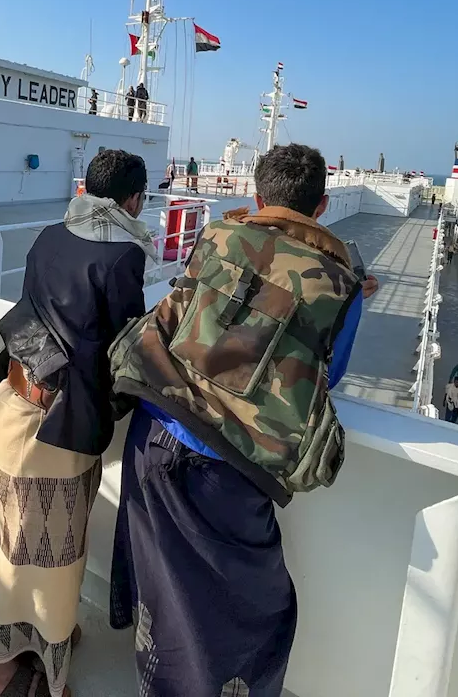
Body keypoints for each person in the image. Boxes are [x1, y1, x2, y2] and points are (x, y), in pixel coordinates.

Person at [108, 143, 379, 697]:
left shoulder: (215, 237)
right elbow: (331, 375)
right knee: (244, 615)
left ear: (257, 196)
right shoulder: (340, 285)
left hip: (154, 431)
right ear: (322, 206)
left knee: (161, 595)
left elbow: (187, 315)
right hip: (229, 469)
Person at [0, 149, 154, 697]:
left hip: (17, 399)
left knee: (15, 534)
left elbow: (37, 311)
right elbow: (122, 345)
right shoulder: (124, 254)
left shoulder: (50, 234)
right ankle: (2, 669)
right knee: (54, 549)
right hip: (60, 426)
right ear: (134, 198)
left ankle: (16, 650)